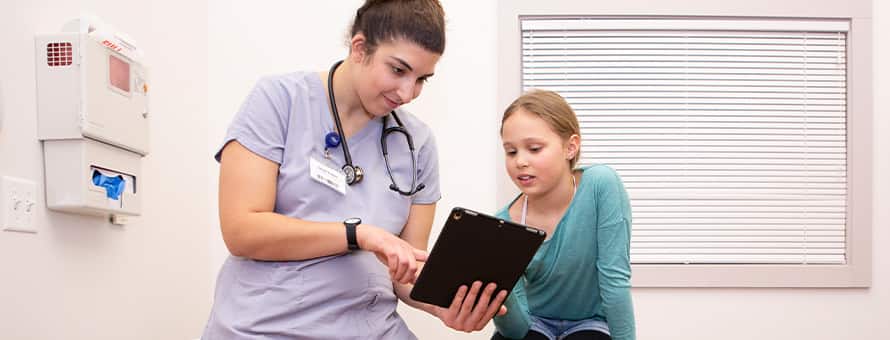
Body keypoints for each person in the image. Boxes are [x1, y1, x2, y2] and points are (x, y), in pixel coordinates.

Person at [202, 1, 507, 338]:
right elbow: (242, 231)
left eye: (422, 79)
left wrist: (442, 306)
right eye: (398, 70)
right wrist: (357, 234)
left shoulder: (416, 143)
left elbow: (404, 271)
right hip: (264, 326)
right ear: (359, 48)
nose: (407, 93)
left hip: (369, 328)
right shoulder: (279, 101)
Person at [491, 90, 636, 340]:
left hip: (590, 323)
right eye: (511, 152)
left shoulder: (601, 186)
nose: (520, 162)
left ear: (570, 147)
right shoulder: (505, 223)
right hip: (533, 322)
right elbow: (515, 330)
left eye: (534, 149)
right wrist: (496, 296)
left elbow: (615, 282)